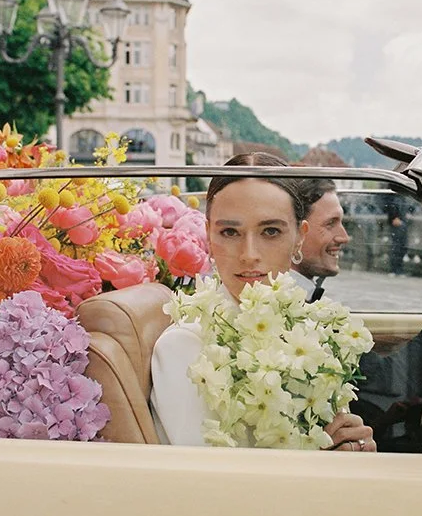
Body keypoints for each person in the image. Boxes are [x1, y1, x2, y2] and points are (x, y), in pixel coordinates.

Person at [150, 153, 376, 453]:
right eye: (230, 232)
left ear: (299, 237)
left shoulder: (310, 330)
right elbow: (206, 475)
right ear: (208, 235)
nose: (249, 254)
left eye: (270, 231)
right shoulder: (184, 346)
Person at [292, 176, 422, 448]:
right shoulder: (294, 312)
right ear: (294, 233)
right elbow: (389, 384)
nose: (344, 236)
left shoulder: (301, 302)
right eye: (330, 224)